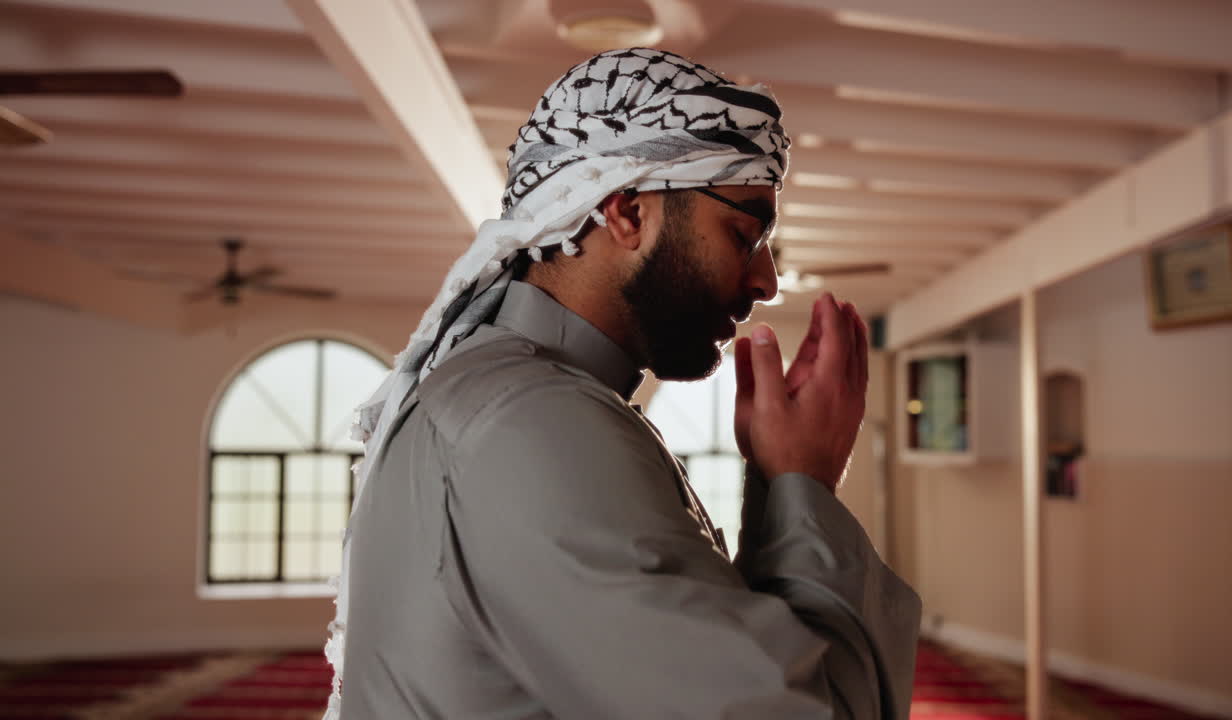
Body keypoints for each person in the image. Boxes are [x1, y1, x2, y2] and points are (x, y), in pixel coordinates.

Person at [323, 48, 921, 719]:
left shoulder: (512, 396)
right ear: (628, 212)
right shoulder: (536, 423)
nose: (766, 283)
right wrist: (801, 485)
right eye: (743, 233)